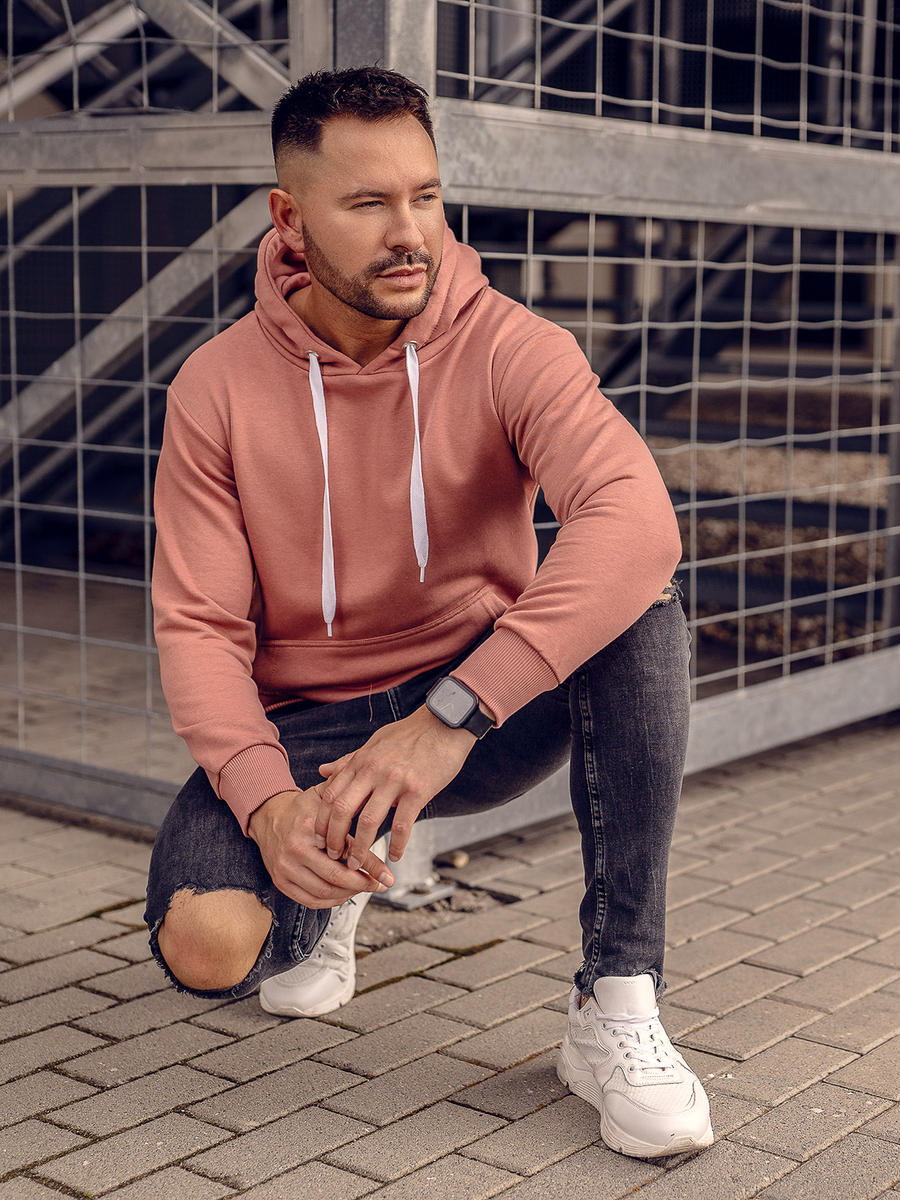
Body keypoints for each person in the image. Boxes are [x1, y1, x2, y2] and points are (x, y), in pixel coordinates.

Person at [145, 65, 713, 1160]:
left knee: (639, 606)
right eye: (368, 203)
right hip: (313, 727)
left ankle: (616, 995)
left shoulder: (511, 345)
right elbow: (200, 629)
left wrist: (450, 716)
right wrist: (268, 808)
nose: (411, 234)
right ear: (289, 219)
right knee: (210, 949)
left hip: (476, 711)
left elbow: (637, 520)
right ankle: (339, 877)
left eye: (426, 196)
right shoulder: (215, 389)